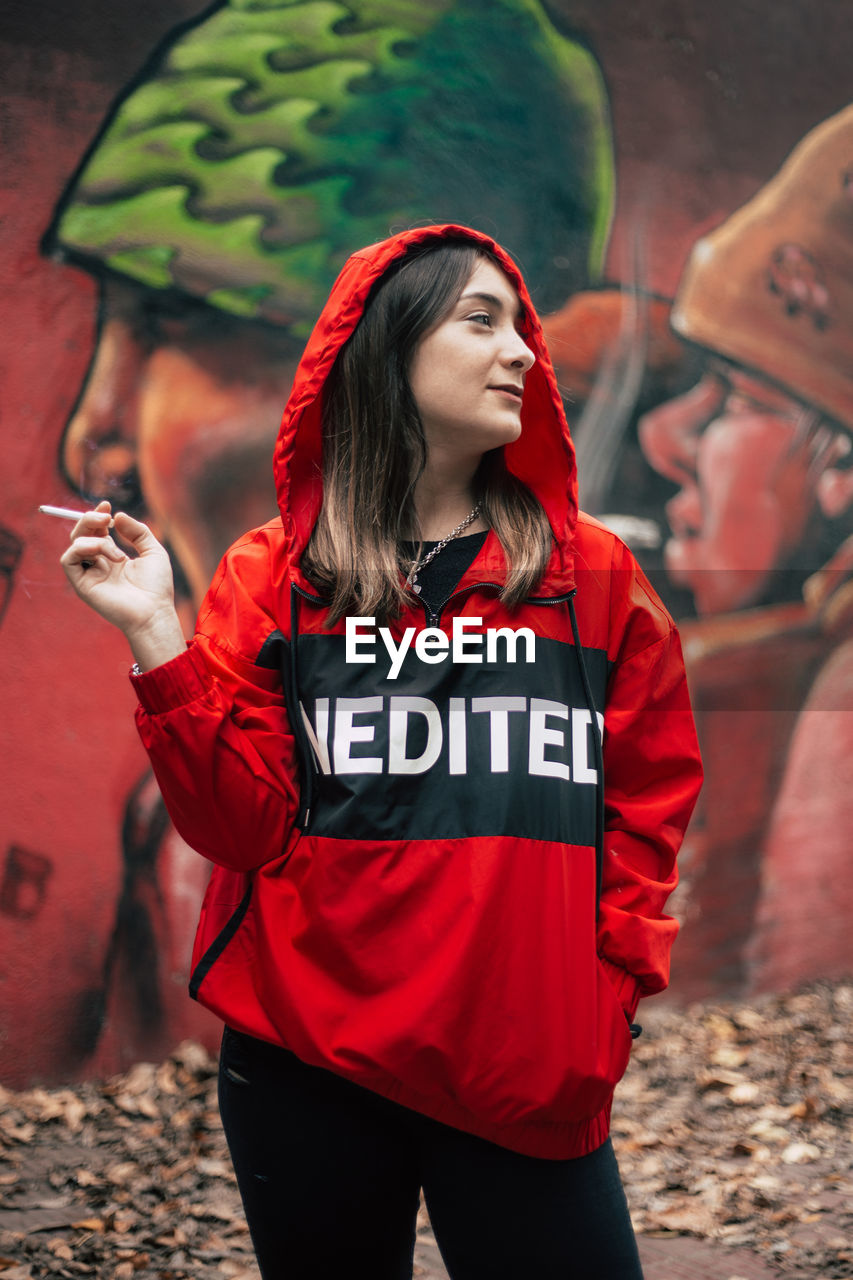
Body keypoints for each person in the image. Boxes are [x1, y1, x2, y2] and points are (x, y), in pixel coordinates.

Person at [60, 224, 702, 1280]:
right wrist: (154, 637)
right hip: (306, 1062)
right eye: (481, 321)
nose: (524, 354)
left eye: (522, 328)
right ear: (387, 349)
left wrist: (609, 985)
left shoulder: (588, 577)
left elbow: (648, 792)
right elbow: (239, 827)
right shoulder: (270, 576)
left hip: (525, 1062)